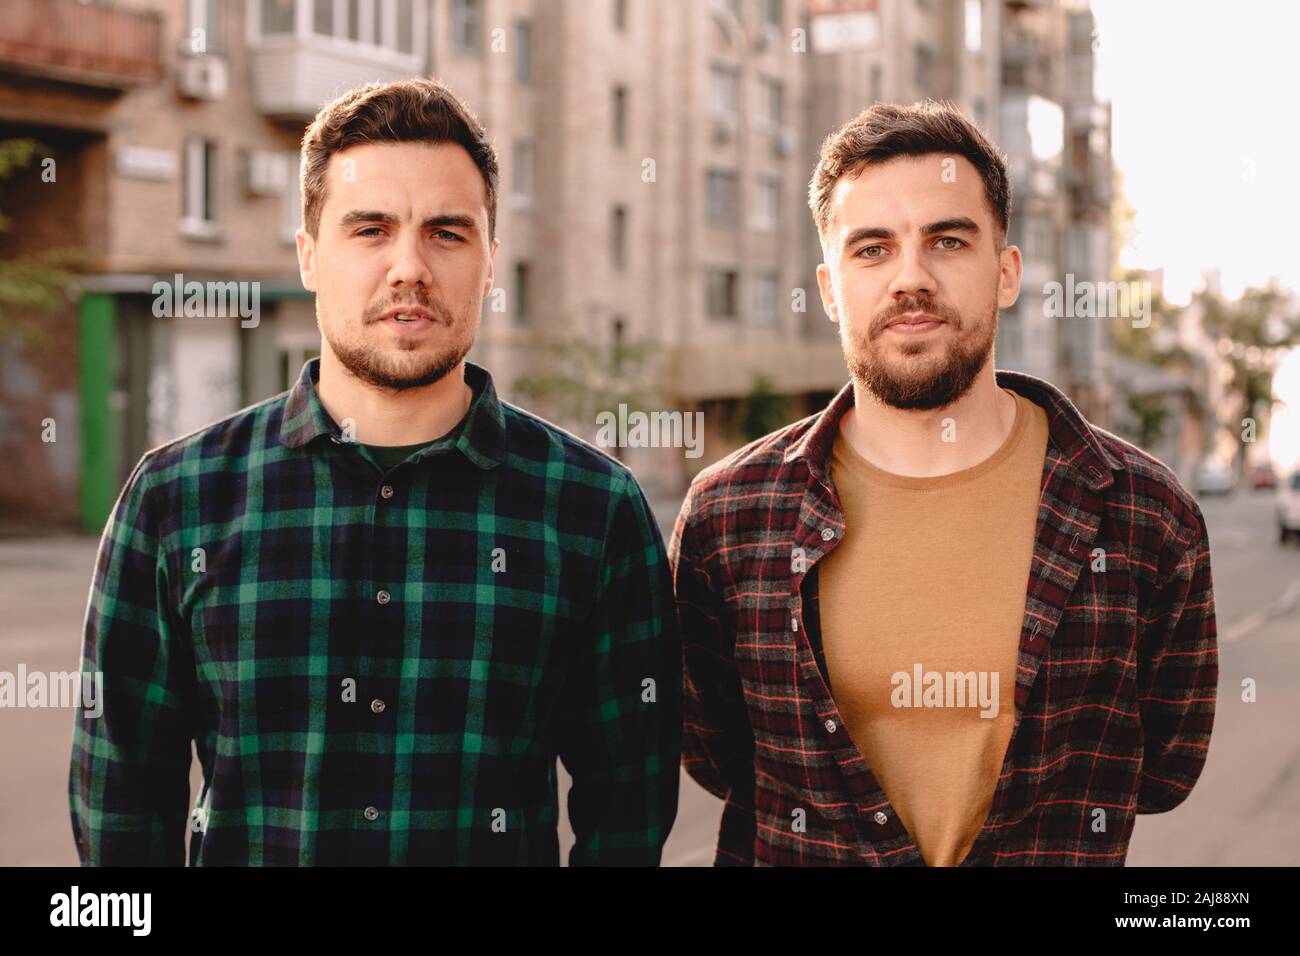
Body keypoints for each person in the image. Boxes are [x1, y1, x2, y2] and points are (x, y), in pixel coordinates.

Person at [70, 78, 680, 866]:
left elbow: (626, 811)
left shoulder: (593, 509)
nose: (409, 267)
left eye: (447, 233)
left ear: (491, 263)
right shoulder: (175, 499)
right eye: (371, 228)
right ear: (309, 255)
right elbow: (120, 809)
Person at [669, 101, 1217, 866]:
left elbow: (1162, 769)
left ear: (1006, 272)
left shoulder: (1144, 514)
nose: (911, 279)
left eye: (947, 241)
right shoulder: (729, 516)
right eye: (872, 250)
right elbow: (718, 755)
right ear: (830, 289)